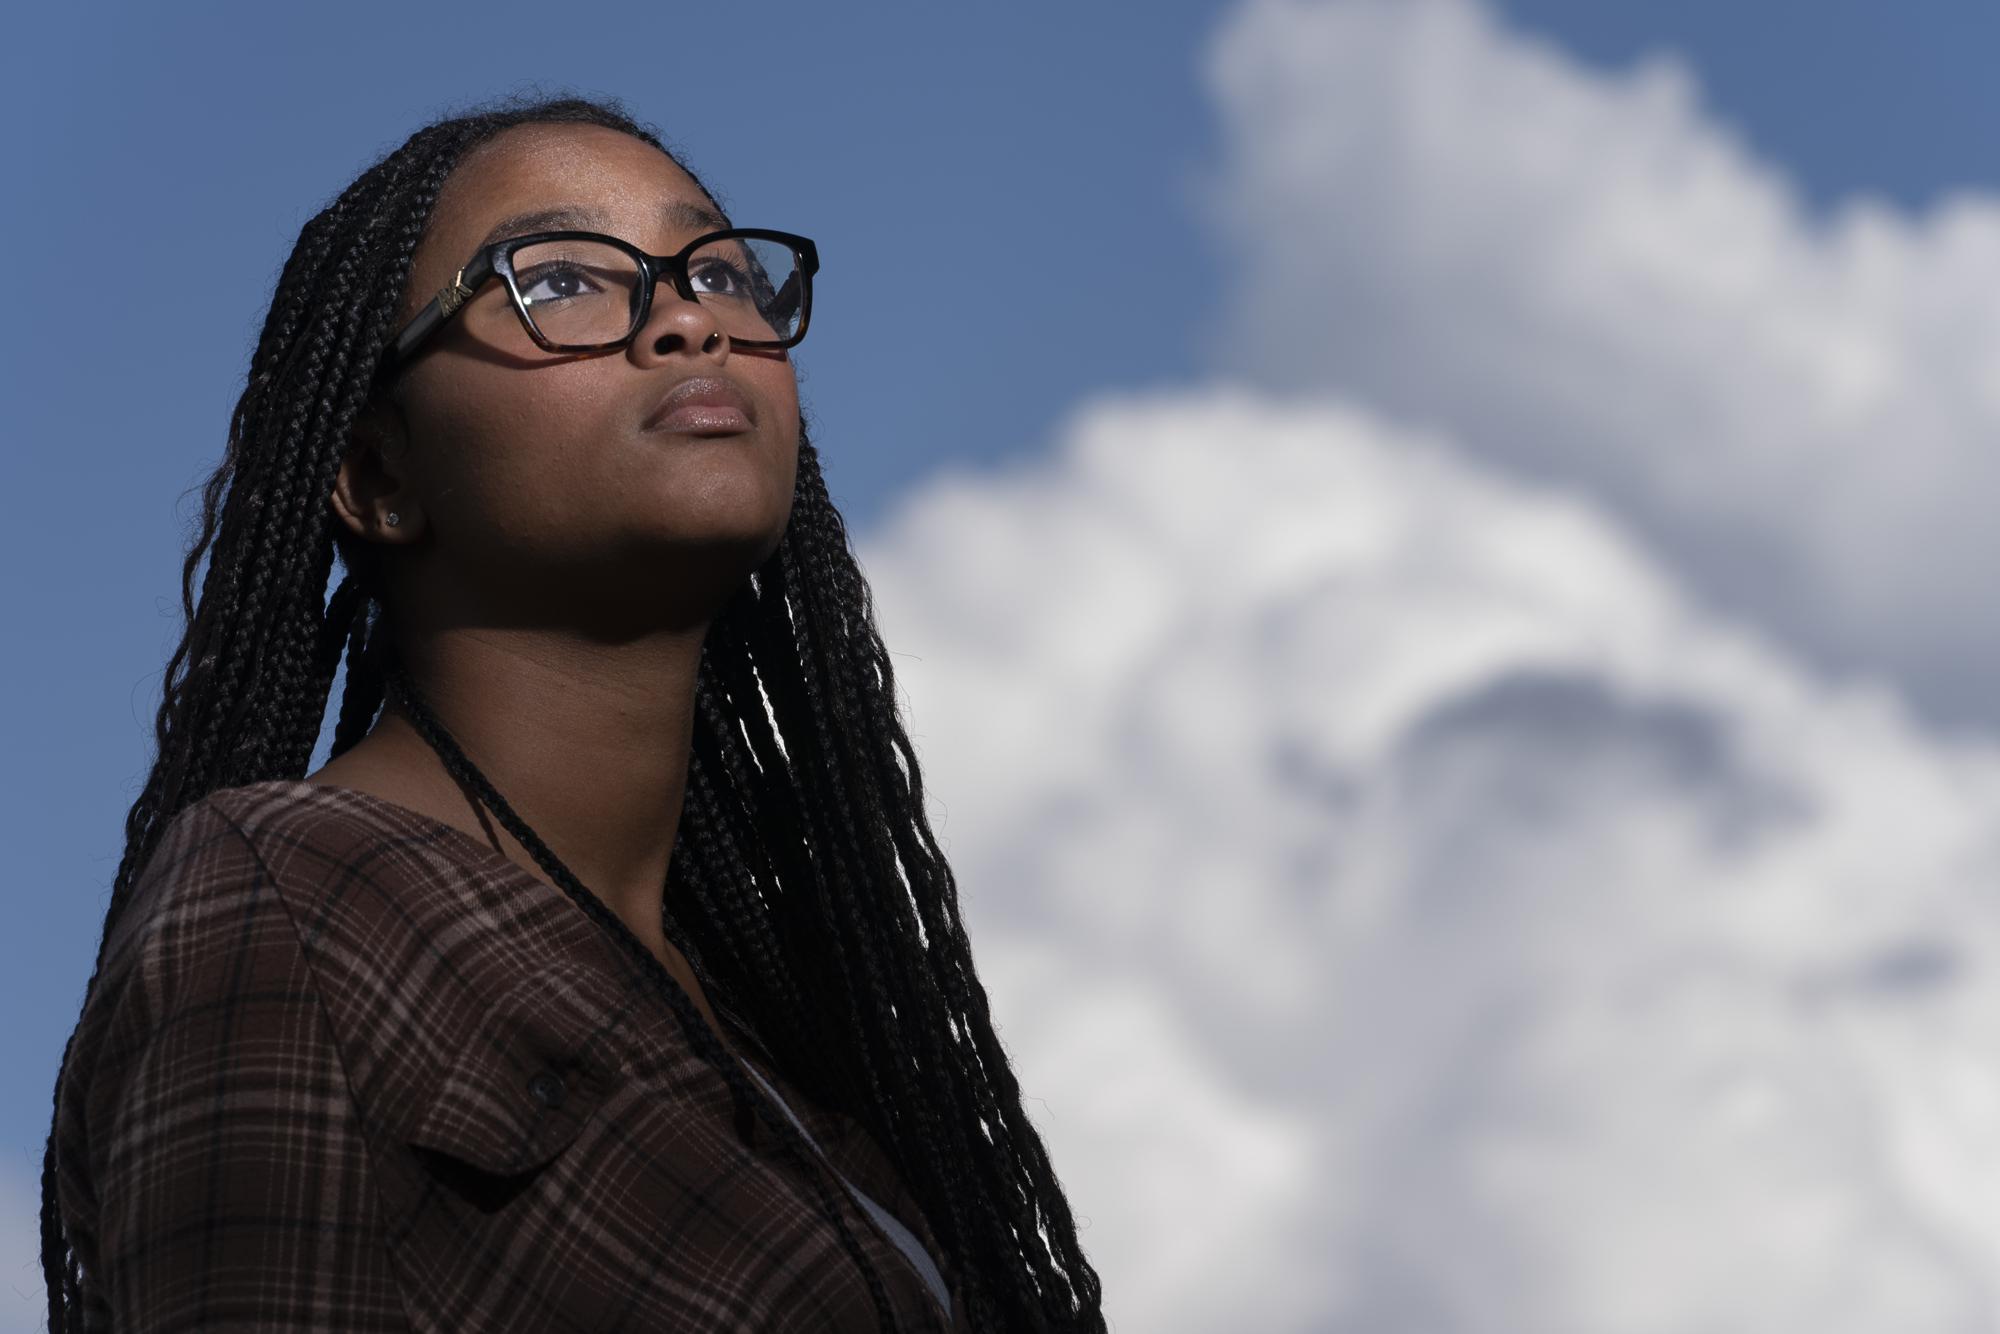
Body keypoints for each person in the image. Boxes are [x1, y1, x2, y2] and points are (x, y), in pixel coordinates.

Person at [40, 93, 1106, 1333]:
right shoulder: (293, 905)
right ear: (380, 476)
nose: (689, 319)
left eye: (719, 269)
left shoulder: (780, 1043)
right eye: (559, 281)